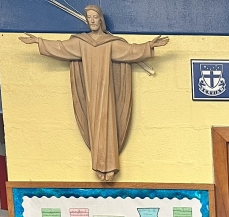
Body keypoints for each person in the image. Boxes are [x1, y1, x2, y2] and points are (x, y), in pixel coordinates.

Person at [18, 6, 167, 181]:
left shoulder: (110, 42)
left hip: (108, 91)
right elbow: (61, 47)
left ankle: (111, 164)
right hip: (90, 91)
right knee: (94, 125)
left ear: (101, 19)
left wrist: (149, 45)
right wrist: (39, 42)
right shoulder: (81, 42)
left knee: (110, 122)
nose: (92, 21)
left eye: (95, 17)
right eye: (89, 18)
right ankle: (98, 164)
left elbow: (130, 51)